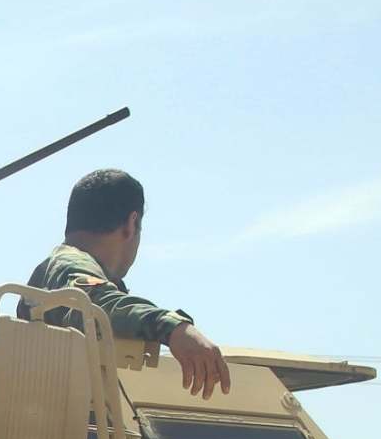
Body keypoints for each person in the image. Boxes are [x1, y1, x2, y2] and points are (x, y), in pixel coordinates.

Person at [24, 168, 230, 398]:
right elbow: (92, 303)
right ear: (131, 224)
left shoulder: (55, 267)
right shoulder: (70, 264)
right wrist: (173, 328)